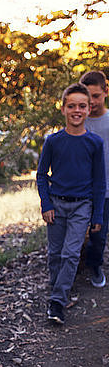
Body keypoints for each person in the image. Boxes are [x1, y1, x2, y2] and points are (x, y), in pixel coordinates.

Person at [37, 82, 106, 325]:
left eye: (82, 106)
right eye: (72, 106)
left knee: (70, 253)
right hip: (56, 204)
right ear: (64, 109)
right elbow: (41, 175)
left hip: (81, 206)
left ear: (89, 109)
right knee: (55, 253)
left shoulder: (95, 143)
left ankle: (57, 301)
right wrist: (46, 204)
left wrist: (97, 215)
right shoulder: (53, 141)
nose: (77, 110)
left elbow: (99, 182)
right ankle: (58, 291)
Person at [80, 70, 109, 288]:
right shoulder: (79, 120)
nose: (93, 102)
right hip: (80, 191)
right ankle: (76, 266)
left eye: (96, 96)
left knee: (99, 234)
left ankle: (95, 266)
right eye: (88, 97)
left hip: (105, 192)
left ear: (106, 92)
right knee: (76, 233)